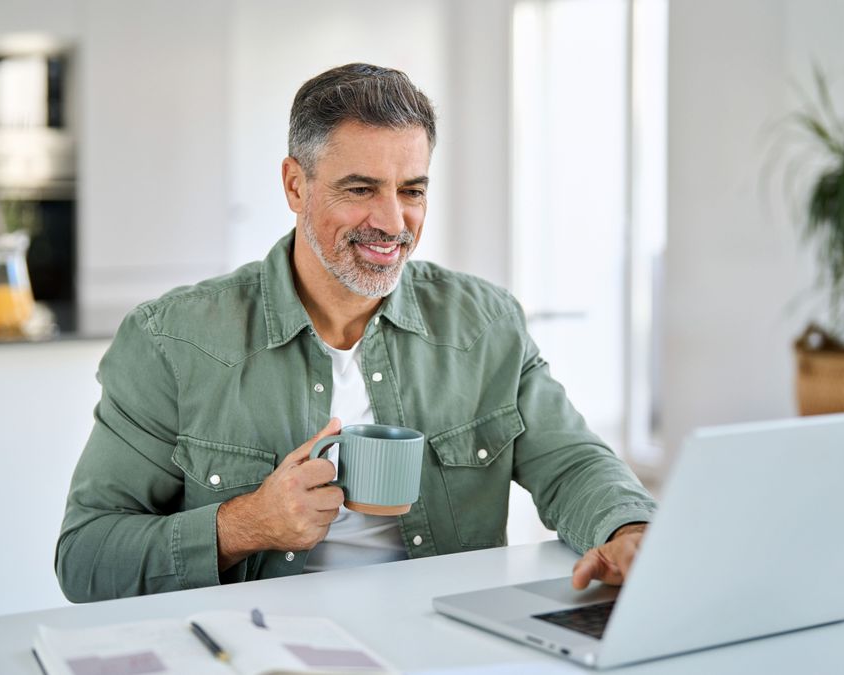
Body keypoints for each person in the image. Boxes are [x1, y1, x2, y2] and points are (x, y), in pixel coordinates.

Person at [56, 63, 657, 603]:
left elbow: (573, 462)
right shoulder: (171, 341)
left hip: (440, 642)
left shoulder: (486, 323)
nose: (393, 222)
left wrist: (629, 530)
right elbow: (86, 558)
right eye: (361, 189)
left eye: (412, 191)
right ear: (295, 185)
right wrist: (244, 526)